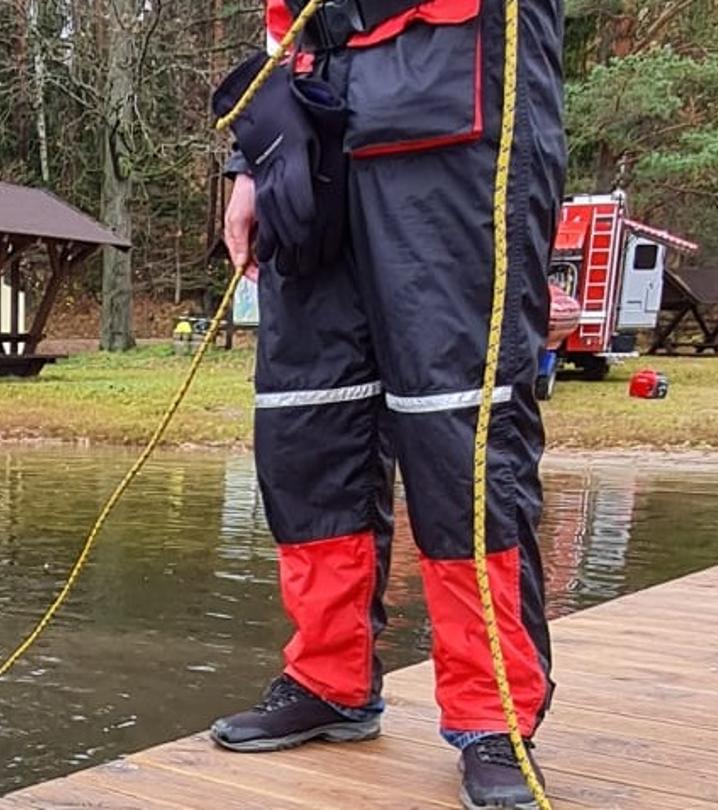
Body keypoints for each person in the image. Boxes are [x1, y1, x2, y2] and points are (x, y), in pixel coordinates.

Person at [209, 1, 565, 808]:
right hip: (313, 123)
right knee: (308, 421)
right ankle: (330, 681)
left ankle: (490, 715)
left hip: (457, 112)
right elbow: (281, 18)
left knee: (455, 433)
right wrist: (249, 162)